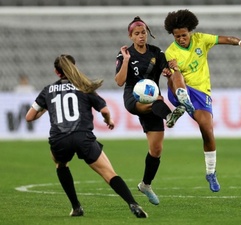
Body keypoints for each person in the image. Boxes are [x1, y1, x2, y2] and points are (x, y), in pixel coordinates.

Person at [25, 54, 148, 218]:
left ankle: (76, 207)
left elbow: (29, 117)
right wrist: (108, 120)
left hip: (59, 139)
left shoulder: (48, 90)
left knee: (61, 165)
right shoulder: (84, 87)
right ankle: (133, 204)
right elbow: (104, 109)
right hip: (83, 137)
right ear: (74, 67)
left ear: (56, 72)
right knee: (109, 173)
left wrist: (46, 108)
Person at [163, 9, 241, 192]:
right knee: (176, 74)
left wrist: (240, 42)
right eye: (177, 36)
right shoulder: (171, 51)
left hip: (201, 93)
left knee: (207, 130)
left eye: (183, 35)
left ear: (191, 32)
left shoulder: (201, 40)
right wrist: (168, 72)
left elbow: (224, 39)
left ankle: (211, 172)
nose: (181, 39)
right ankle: (182, 101)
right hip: (180, 88)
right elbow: (169, 76)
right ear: (173, 35)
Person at [115, 16, 185, 205]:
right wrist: (127, 61)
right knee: (155, 101)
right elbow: (120, 82)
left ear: (147, 34)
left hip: (155, 100)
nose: (141, 36)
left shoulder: (156, 52)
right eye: (137, 33)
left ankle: (146, 184)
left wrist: (169, 71)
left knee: (156, 149)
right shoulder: (124, 55)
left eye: (143, 32)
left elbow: (167, 74)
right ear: (131, 36)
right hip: (133, 97)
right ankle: (170, 115)